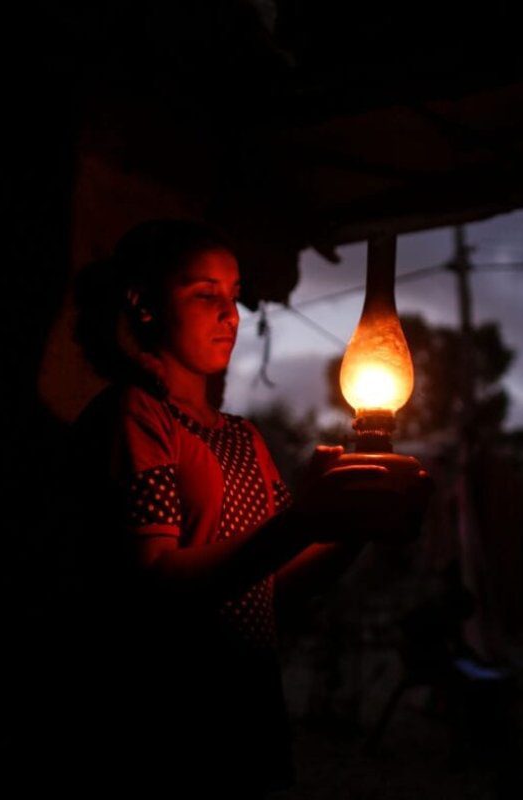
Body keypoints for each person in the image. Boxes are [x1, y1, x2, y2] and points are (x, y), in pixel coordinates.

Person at [66, 219, 431, 795]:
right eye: (204, 294)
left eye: (234, 296)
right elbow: (153, 579)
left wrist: (354, 525)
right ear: (142, 302)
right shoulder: (136, 419)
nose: (229, 314)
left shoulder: (244, 439)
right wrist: (306, 519)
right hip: (160, 720)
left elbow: (274, 584)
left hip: (248, 713)